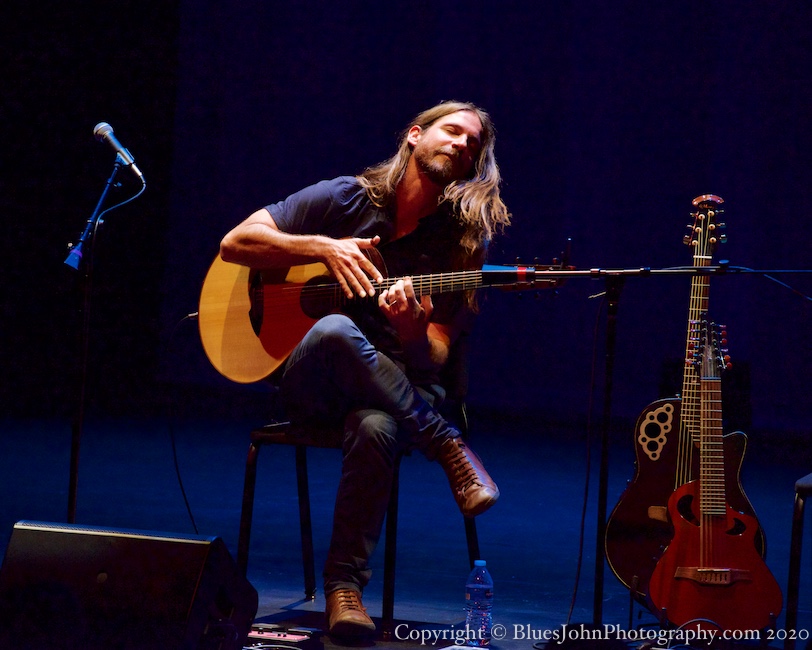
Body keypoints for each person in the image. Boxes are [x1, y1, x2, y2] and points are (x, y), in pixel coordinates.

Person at [220, 100, 511, 637]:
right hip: (315, 385)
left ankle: (344, 590)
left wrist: (412, 334)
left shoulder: (462, 242)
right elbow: (235, 243)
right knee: (332, 330)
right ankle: (448, 446)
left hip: (396, 394)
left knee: (377, 426)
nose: (461, 146)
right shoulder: (343, 197)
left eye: (473, 146)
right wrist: (321, 247)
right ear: (414, 135)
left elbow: (438, 356)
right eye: (452, 132)